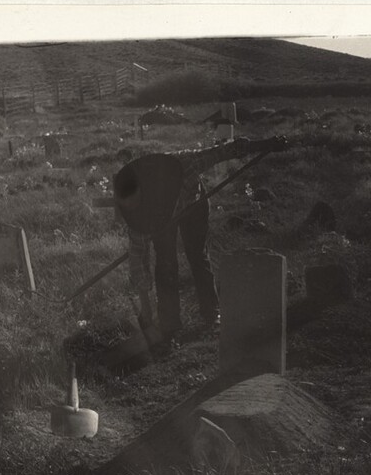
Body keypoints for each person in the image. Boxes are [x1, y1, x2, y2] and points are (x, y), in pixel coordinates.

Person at [112, 135, 287, 344]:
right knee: (166, 262)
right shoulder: (137, 217)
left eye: (137, 204)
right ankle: (170, 323)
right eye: (129, 207)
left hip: (193, 204)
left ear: (146, 191)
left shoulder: (179, 166)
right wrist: (146, 310)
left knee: (197, 255)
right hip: (161, 221)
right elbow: (137, 259)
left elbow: (222, 151)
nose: (134, 211)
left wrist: (264, 143)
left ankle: (212, 313)